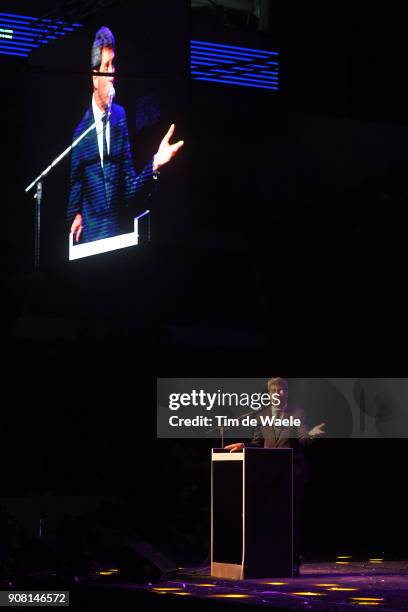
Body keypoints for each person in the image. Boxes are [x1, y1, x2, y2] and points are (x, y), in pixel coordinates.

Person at [67, 26, 183, 244]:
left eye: (114, 64)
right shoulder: (81, 135)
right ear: (94, 77)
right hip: (91, 245)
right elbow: (75, 193)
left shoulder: (119, 117)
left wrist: (155, 163)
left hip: (119, 239)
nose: (112, 73)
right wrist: (75, 215)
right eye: (106, 66)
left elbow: (129, 189)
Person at [224, 377, 325, 576]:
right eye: (274, 390)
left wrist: (312, 434)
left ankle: (294, 562)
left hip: (292, 474)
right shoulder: (260, 415)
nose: (277, 393)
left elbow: (303, 440)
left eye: (281, 390)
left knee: (292, 520)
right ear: (269, 394)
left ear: (286, 393)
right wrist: (244, 446)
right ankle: (271, 560)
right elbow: (258, 443)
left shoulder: (297, 413)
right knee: (269, 519)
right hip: (269, 475)